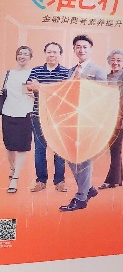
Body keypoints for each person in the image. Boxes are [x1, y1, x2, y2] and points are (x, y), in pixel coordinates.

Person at [59, 35, 111, 212]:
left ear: (90, 49)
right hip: (71, 118)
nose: (81, 50)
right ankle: (88, 189)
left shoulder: (98, 71)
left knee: (83, 158)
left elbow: (103, 96)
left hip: (89, 119)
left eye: (85, 47)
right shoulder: (71, 71)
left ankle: (81, 198)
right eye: (78, 47)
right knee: (69, 155)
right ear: (74, 49)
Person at [26, 42, 70, 193]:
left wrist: (41, 87)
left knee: (59, 150)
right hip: (38, 115)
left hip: (58, 117)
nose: (51, 55)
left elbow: (65, 92)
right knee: (39, 150)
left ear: (60, 54)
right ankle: (41, 181)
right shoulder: (36, 70)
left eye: (55, 52)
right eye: (49, 52)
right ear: (45, 53)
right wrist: (54, 88)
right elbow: (28, 87)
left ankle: (60, 181)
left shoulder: (66, 72)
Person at [3, 46, 35, 194]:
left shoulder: (32, 73)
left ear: (30, 57)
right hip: (8, 112)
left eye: (26, 54)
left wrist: (32, 93)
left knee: (22, 147)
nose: (22, 56)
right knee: (9, 146)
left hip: (25, 113)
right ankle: (12, 168)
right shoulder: (8, 73)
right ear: (16, 56)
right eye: (20, 54)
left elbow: (32, 94)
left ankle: (15, 178)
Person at [98, 49, 123, 190]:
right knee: (114, 148)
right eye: (113, 60)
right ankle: (119, 177)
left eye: (119, 60)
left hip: (119, 116)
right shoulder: (106, 77)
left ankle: (111, 181)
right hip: (108, 116)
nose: (115, 62)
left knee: (115, 149)